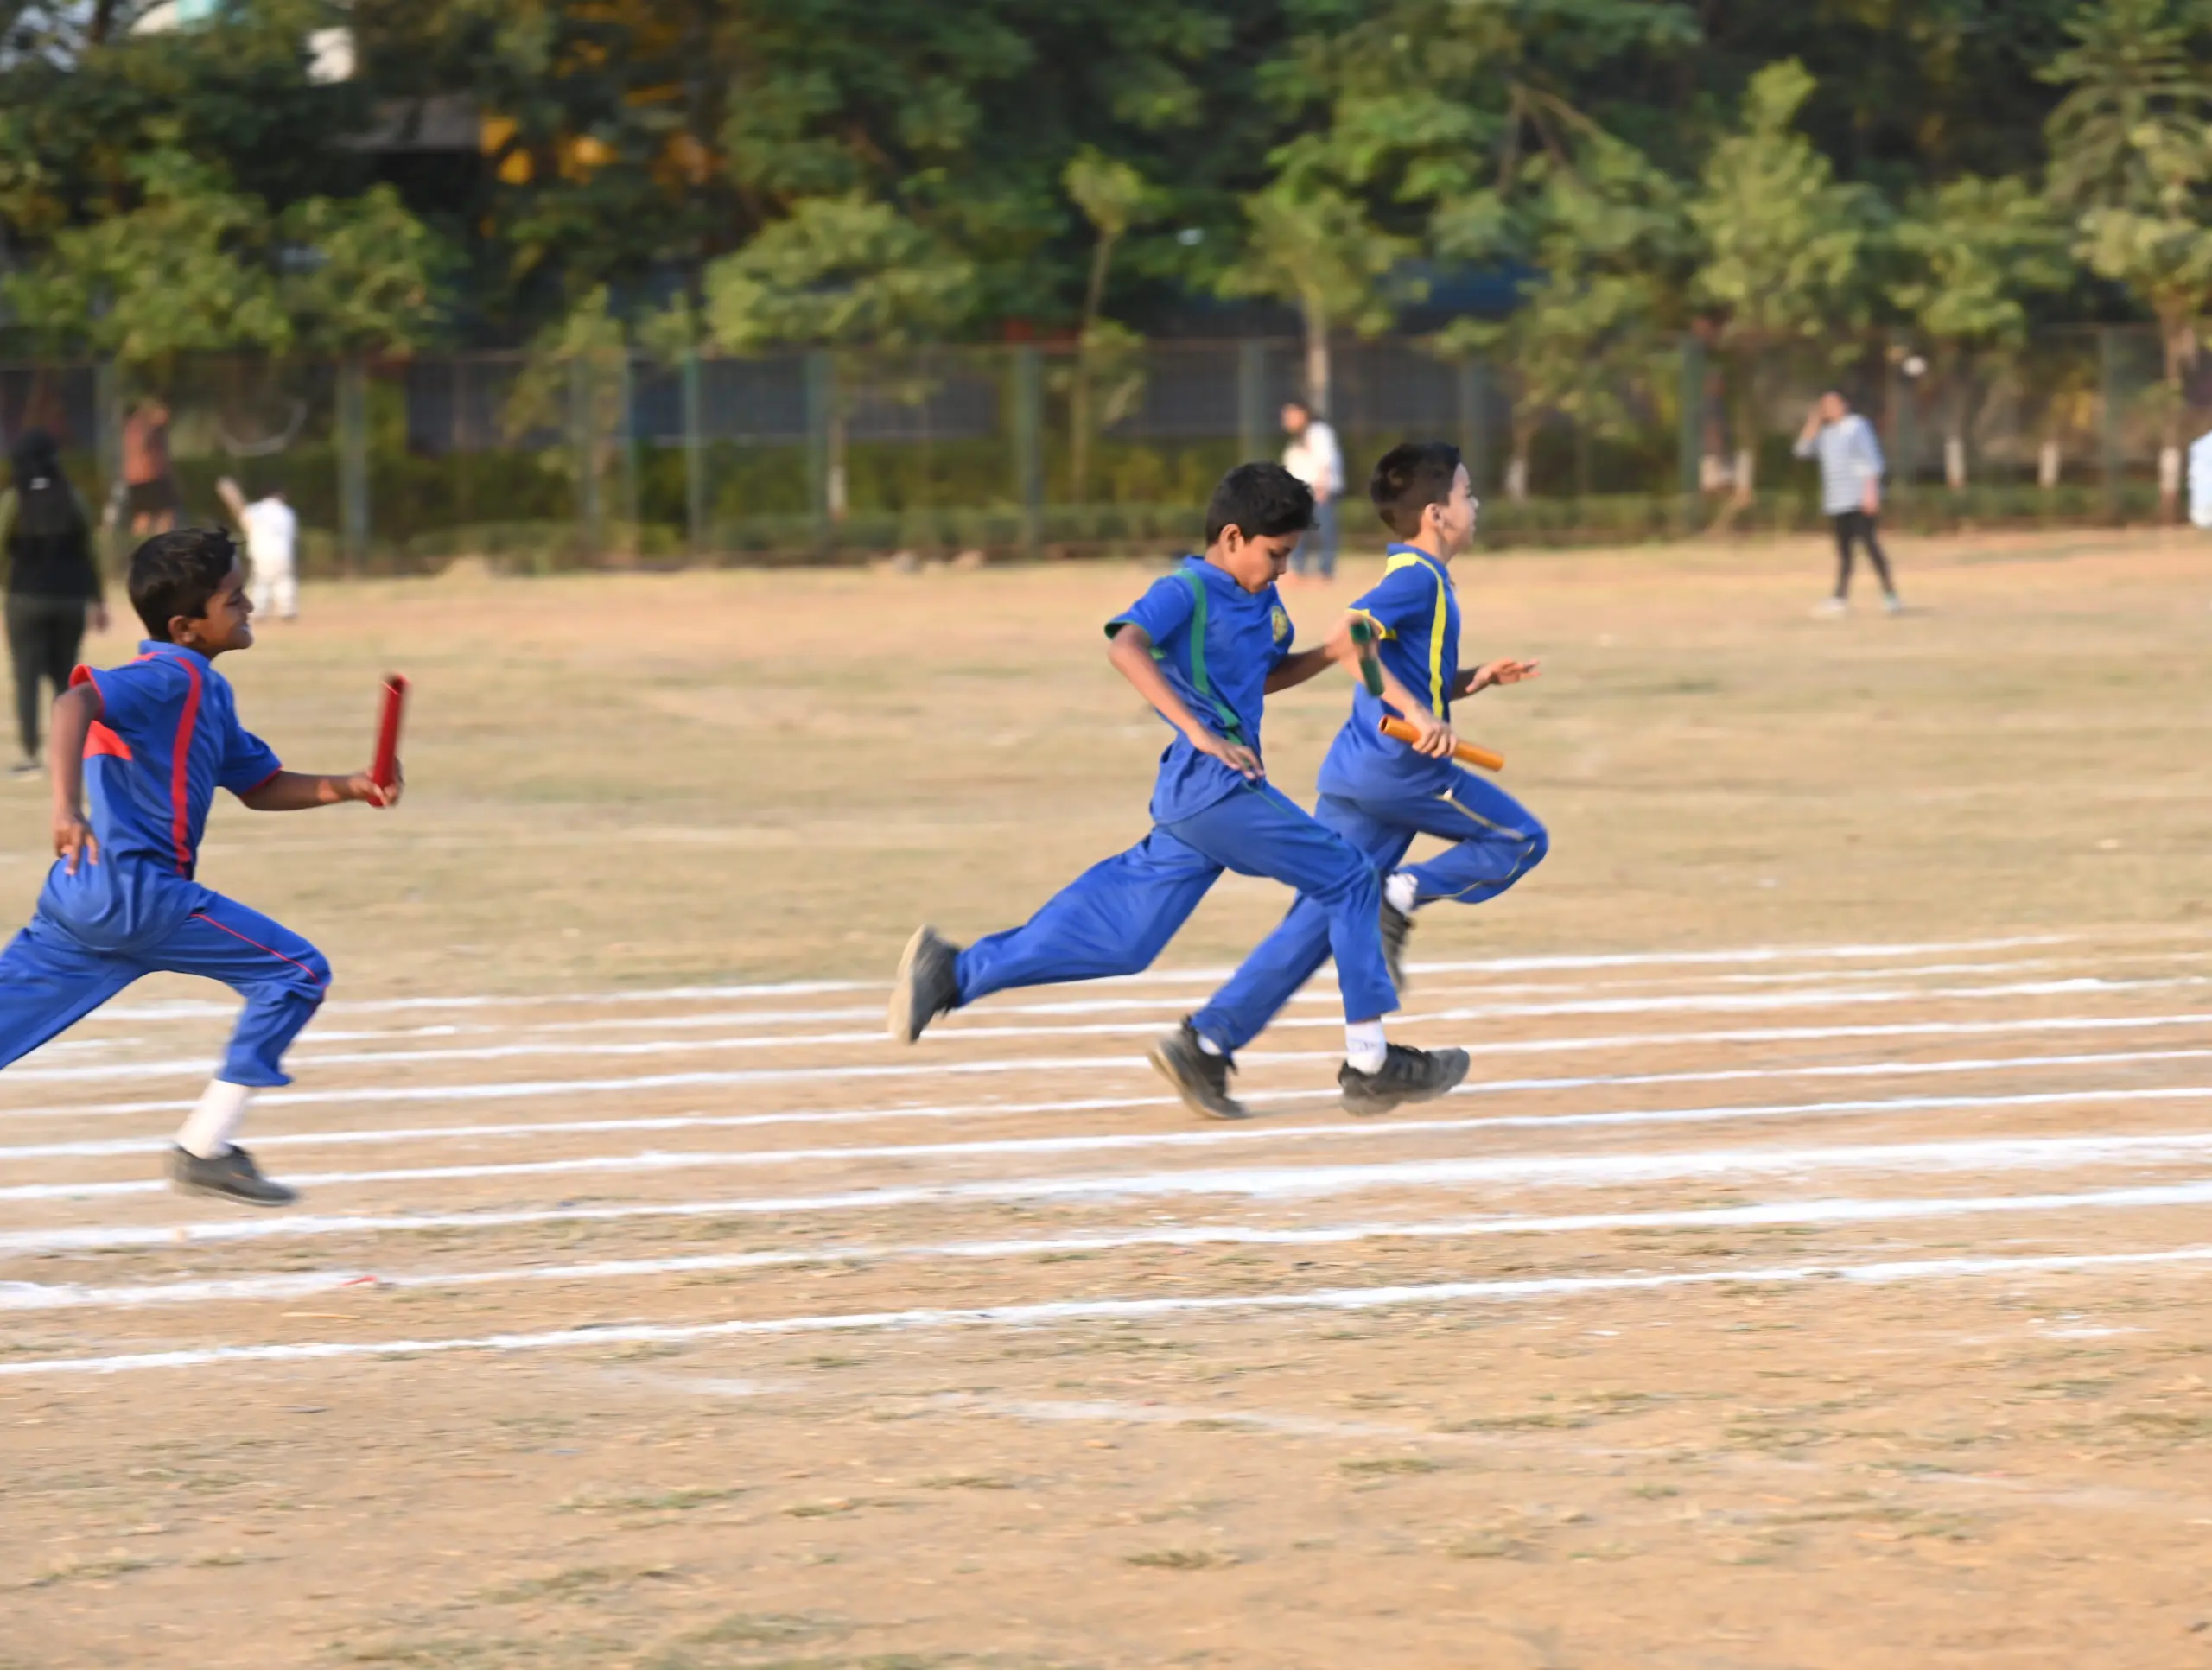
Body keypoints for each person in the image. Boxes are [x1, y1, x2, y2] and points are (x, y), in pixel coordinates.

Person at [888, 461, 1467, 1119]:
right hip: (1219, 790)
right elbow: (1125, 646)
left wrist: (1330, 654)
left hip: (1197, 804)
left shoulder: (1263, 605)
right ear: (1231, 537)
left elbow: (1260, 676)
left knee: (1124, 942)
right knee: (1354, 878)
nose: (1282, 569)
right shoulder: (1186, 590)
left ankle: (954, 972)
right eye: (1275, 554)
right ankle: (1371, 1064)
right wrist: (1198, 731)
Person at [0, 526, 401, 1207]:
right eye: (233, 598)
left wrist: (352, 785)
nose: (249, 606)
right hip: (141, 896)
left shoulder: (205, 692)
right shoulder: (168, 677)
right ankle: (206, 1148)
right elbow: (73, 702)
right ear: (186, 627)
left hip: (80, 896)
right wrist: (65, 806)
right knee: (297, 973)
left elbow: (260, 784)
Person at [1177, 442, 1548, 1112]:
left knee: (1322, 916)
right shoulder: (1418, 580)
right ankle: (1400, 896)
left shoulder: (1422, 578)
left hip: (1356, 772)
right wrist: (1411, 711)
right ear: (1436, 514)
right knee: (1520, 839)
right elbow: (1354, 637)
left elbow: (1404, 674)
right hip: (1402, 773)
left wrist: (1471, 681)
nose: (1475, 504)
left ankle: (1208, 1042)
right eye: (1466, 493)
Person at [3, 430, 108, 777]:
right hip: (70, 598)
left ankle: (31, 754)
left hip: (25, 597)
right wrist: (98, 598)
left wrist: (8, 584)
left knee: (27, 677)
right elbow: (89, 550)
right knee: (65, 677)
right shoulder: (71, 496)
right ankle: (69, 750)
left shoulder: (14, 498)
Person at [1794, 391, 1901, 615]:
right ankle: (1840, 597)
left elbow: (1872, 459)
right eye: (1825, 406)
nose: (1830, 409)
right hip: (1837, 500)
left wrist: (1871, 492)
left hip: (1858, 497)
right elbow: (1801, 451)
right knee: (1844, 551)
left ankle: (1890, 594)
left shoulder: (1856, 426)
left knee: (1870, 545)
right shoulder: (1825, 434)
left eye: (1834, 404)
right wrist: (1813, 423)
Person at [1281, 399, 1343, 586]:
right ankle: (1298, 570)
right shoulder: (1296, 440)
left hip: (1318, 490)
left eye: (1290, 415)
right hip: (1300, 493)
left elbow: (1325, 460)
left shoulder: (1319, 433)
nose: (1286, 419)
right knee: (1297, 532)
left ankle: (1325, 571)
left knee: (1324, 530)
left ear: (1303, 414)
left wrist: (1321, 486)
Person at [120, 397, 179, 537]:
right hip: (151, 477)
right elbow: (141, 446)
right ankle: (160, 542)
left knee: (144, 516)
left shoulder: (132, 426)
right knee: (163, 514)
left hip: (139, 479)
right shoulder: (146, 427)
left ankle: (140, 543)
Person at [241, 483, 299, 620]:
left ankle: (259, 611)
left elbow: (247, 525)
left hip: (261, 552)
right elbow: (292, 534)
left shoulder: (254, 510)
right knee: (284, 580)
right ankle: (287, 610)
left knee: (261, 582)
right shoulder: (287, 512)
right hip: (283, 552)